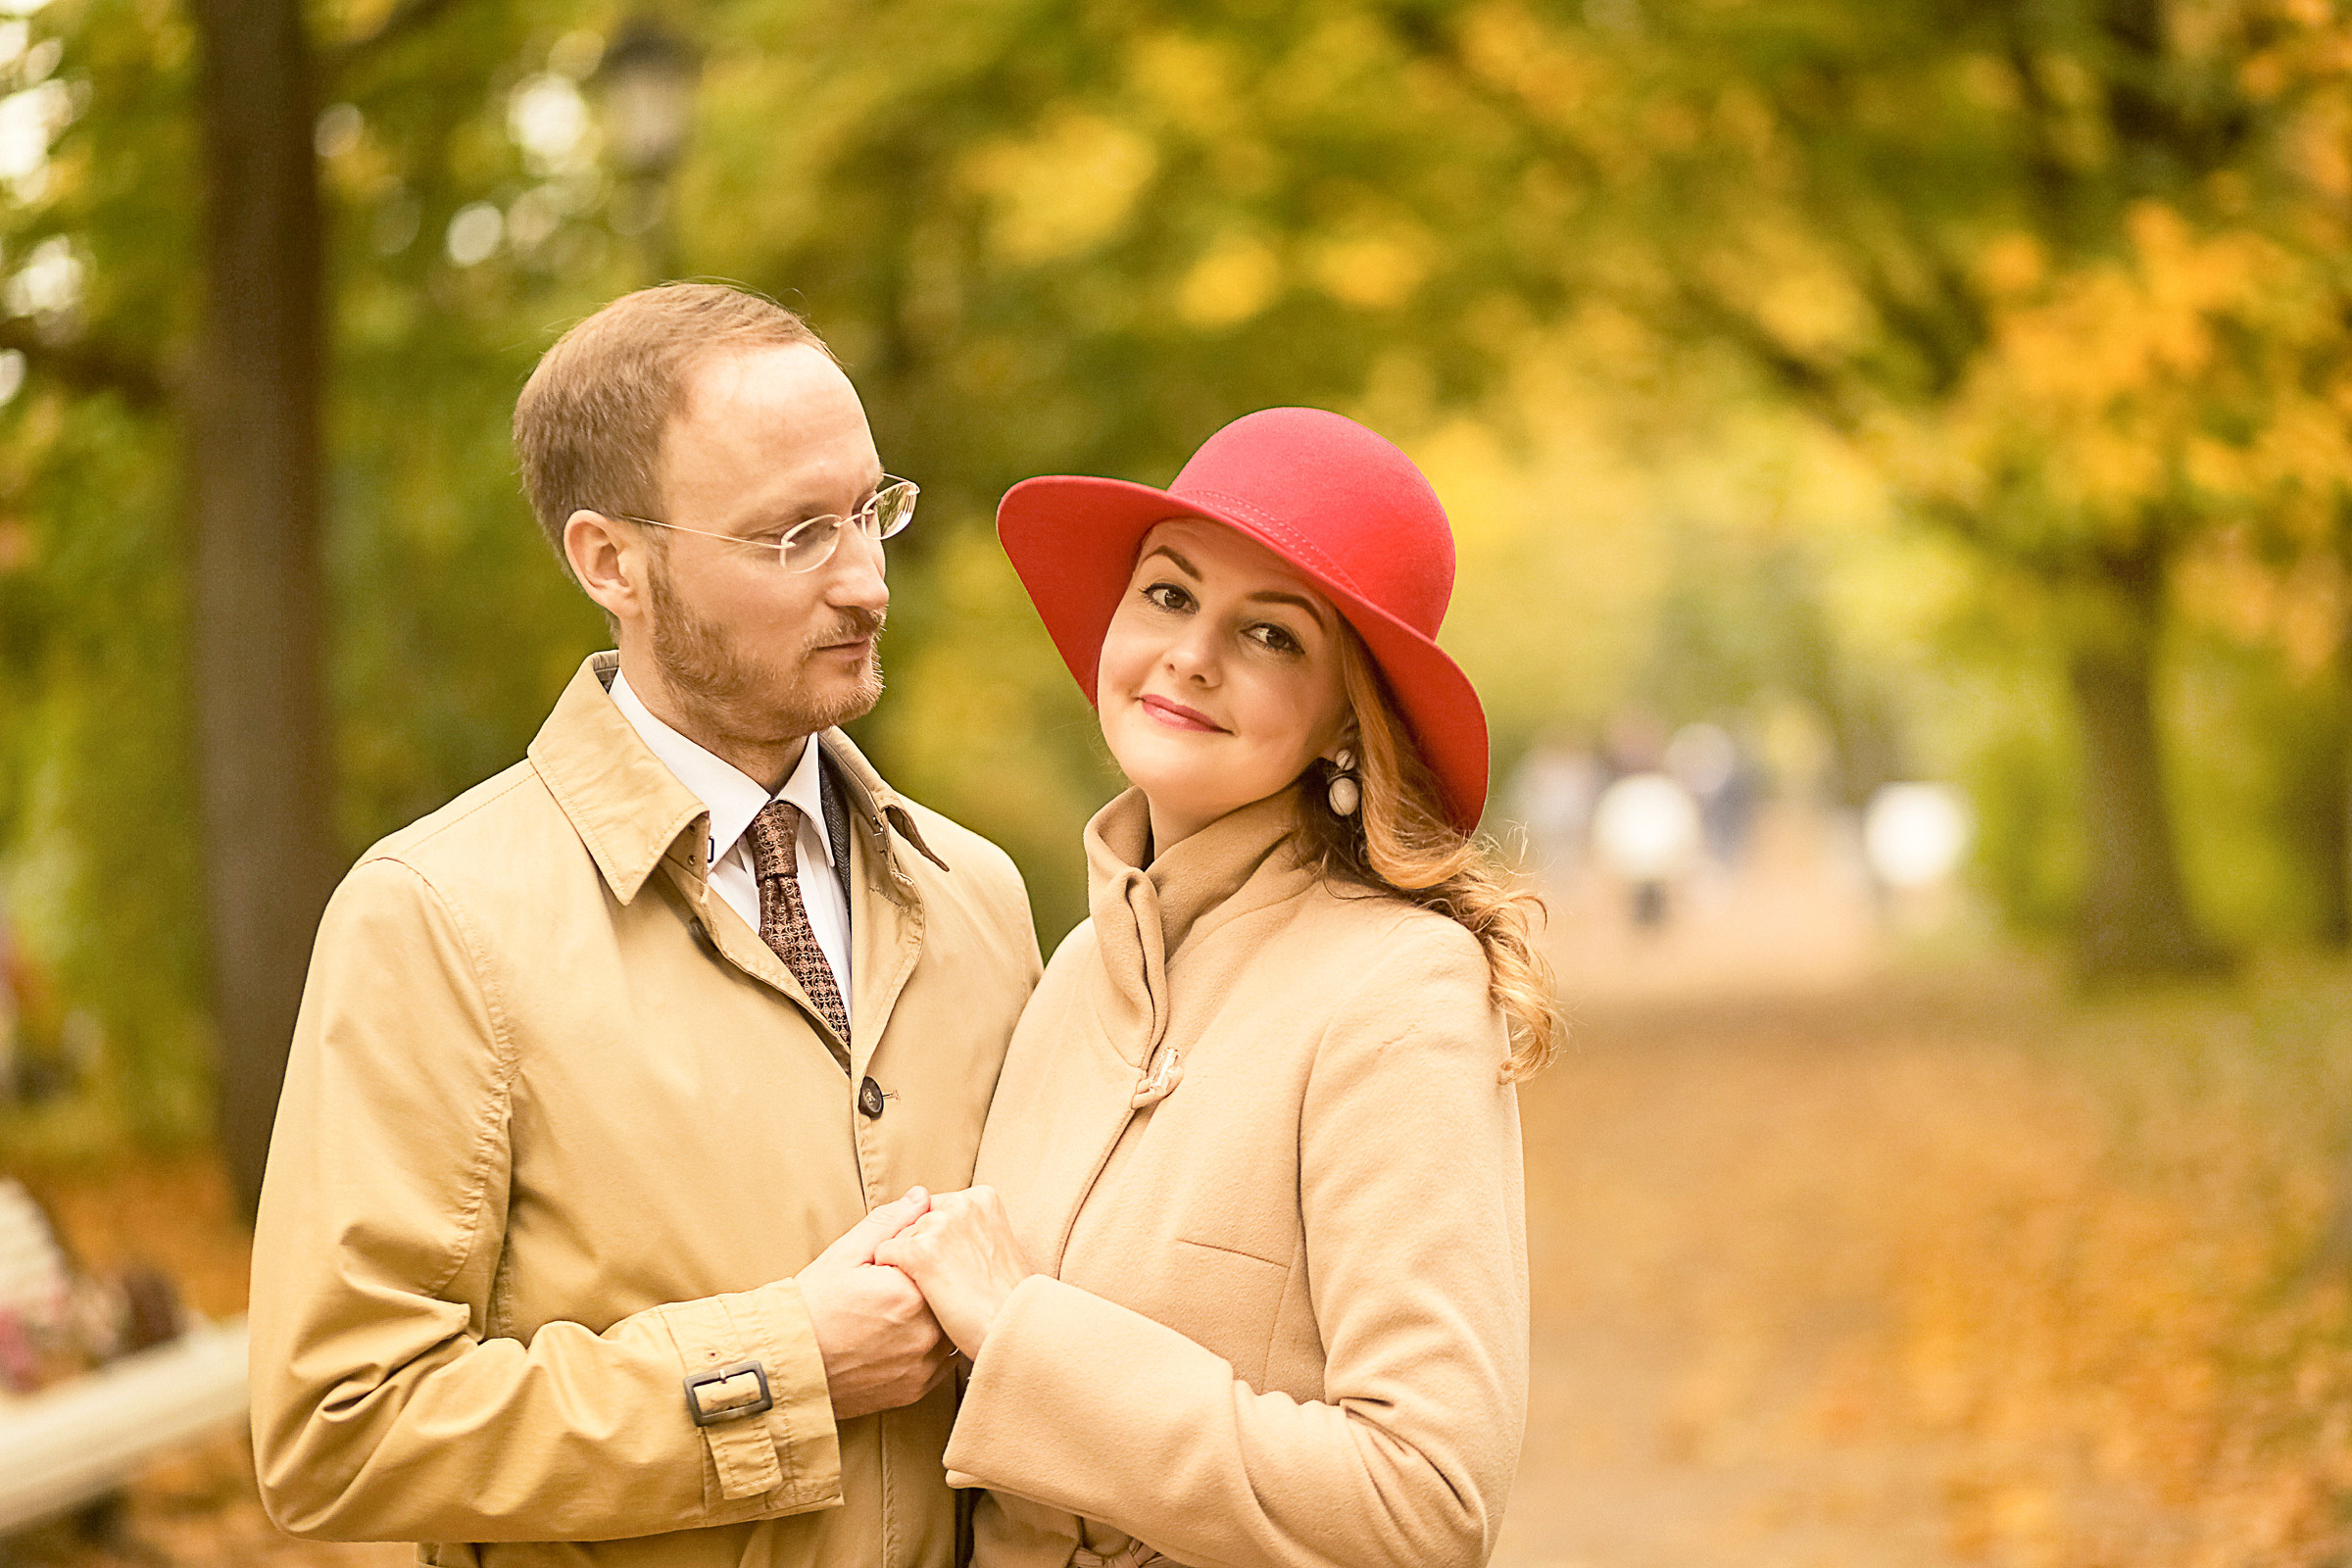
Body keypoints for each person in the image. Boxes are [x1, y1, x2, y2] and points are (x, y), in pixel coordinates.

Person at [246, 284, 1042, 1568]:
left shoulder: (980, 896)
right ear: (610, 562)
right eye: (792, 537)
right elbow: (340, 1433)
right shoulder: (436, 922)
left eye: (868, 512)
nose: (865, 581)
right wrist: (789, 1366)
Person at [875, 408, 1561, 1568]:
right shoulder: (1070, 976)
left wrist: (1021, 1335)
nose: (1192, 653)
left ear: (1350, 713)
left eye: (1274, 635)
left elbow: (1425, 1507)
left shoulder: (1398, 987)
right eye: (1169, 594)